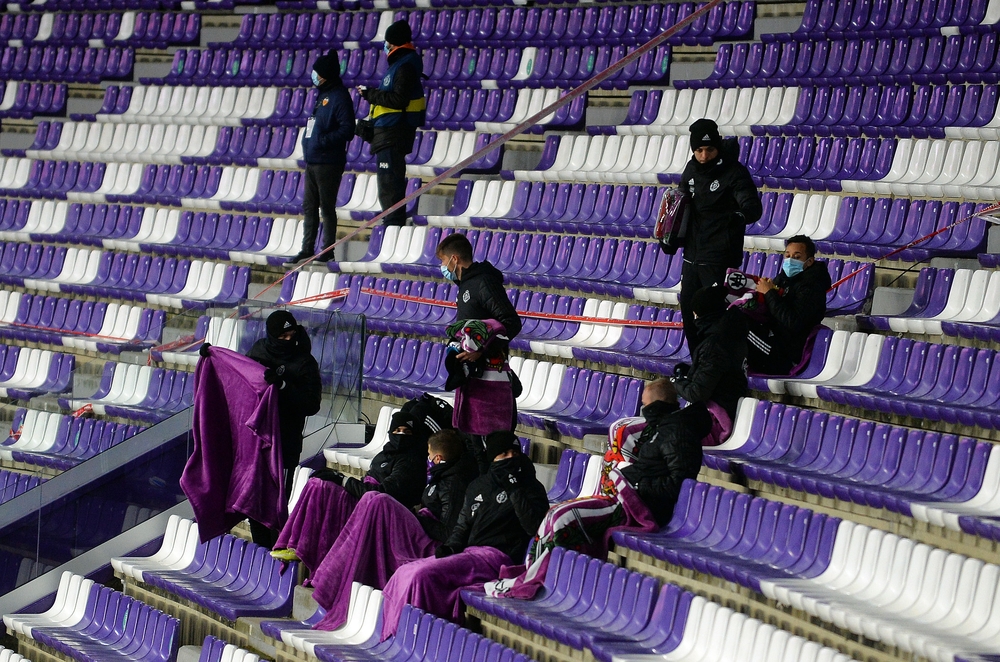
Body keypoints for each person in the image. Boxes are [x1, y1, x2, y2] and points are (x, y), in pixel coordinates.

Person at [484, 379, 699, 599]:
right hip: (628, 496)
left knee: (563, 519)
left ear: (657, 405)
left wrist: (634, 483)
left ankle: (537, 580)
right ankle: (531, 573)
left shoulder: (678, 433)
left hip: (638, 507)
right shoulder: (661, 429)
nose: (643, 412)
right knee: (554, 514)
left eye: (645, 406)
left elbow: (677, 484)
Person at [378, 431, 549, 637]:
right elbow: (463, 525)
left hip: (497, 558)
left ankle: (419, 639)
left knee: (421, 576)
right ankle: (394, 639)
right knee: (404, 572)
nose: (511, 457)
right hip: (470, 553)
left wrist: (515, 490)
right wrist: (450, 547)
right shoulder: (479, 485)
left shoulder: (531, 487)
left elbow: (534, 527)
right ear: (493, 457)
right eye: (503, 454)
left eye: (514, 452)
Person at [307, 429, 479, 631]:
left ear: (438, 458)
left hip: (430, 547)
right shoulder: (441, 477)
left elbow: (446, 533)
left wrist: (415, 518)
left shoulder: (454, 484)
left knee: (378, 500)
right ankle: (333, 577)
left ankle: (337, 578)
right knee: (372, 499)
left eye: (429, 455)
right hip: (420, 532)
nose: (427, 460)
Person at [271, 397, 441, 571]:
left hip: (375, 509)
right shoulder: (385, 454)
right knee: (316, 482)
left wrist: (343, 480)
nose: (401, 435)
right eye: (397, 430)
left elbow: (381, 493)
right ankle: (294, 543)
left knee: (323, 487)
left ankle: (306, 550)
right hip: (363, 496)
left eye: (407, 431)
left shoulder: (410, 461)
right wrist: (337, 477)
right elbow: (365, 483)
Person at [236, 310, 323, 547]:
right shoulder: (258, 351)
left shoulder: (304, 362)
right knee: (255, 500)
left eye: (291, 335)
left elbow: (311, 404)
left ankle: (278, 549)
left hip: (285, 444)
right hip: (256, 443)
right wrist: (213, 358)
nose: (288, 340)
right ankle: (261, 549)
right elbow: (238, 376)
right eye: (282, 336)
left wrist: (283, 386)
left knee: (276, 502)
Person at [437, 233, 522, 471]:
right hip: (473, 379)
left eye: (444, 262)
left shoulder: (484, 282)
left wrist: (481, 350)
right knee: (474, 447)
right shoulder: (464, 285)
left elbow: (511, 322)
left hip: (491, 382)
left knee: (491, 449)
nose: (443, 268)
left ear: (454, 259)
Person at [678, 118, 762, 351]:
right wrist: (671, 235)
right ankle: (698, 366)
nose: (704, 156)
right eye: (699, 150)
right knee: (688, 313)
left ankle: (721, 369)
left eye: (709, 149)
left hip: (719, 258)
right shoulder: (691, 170)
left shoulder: (733, 172)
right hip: (692, 257)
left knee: (716, 318)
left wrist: (737, 217)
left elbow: (753, 207)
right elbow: (680, 205)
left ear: (718, 147)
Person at [285, 50, 356, 267]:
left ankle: (327, 249)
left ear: (325, 74)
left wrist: (323, 140)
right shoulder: (322, 95)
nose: (313, 75)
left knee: (326, 207)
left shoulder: (339, 97)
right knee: (309, 206)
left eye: (316, 72)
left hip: (329, 161)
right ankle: (307, 249)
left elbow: (348, 129)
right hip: (313, 159)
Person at [359, 19, 426, 227]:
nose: (385, 45)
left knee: (390, 185)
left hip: (394, 132)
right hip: (387, 132)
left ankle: (393, 226)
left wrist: (370, 94)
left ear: (394, 42)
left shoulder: (405, 65)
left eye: (387, 41)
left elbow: (398, 100)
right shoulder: (398, 65)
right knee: (387, 186)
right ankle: (391, 223)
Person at [746, 235, 831, 375]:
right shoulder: (784, 278)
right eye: (787, 255)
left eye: (797, 257)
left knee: (740, 328)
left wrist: (769, 293)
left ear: (809, 261)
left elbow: (792, 321)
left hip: (785, 354)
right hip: (773, 339)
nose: (790, 260)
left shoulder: (812, 287)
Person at [672, 285, 748, 427]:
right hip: (727, 407)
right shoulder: (731, 332)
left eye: (695, 313)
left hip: (717, 419)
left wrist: (676, 382)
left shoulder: (714, 345)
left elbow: (697, 394)